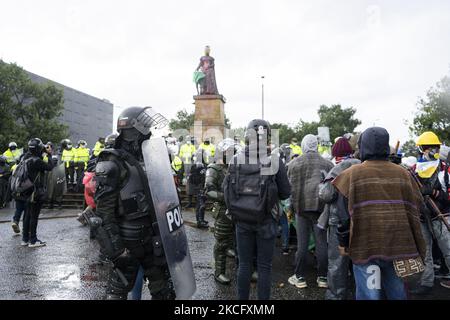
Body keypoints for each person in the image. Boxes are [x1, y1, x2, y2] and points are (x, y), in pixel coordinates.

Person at [333, 127, 426, 300]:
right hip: (399, 245)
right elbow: (417, 206)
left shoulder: (351, 175)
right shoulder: (404, 174)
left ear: (362, 147)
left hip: (365, 244)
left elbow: (344, 216)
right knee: (397, 293)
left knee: (370, 295)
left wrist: (343, 242)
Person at [94, 106, 175, 300]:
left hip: (152, 236)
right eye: (147, 130)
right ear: (137, 130)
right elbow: (104, 213)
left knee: (164, 291)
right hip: (128, 239)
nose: (151, 134)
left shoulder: (149, 158)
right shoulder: (111, 163)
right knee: (117, 292)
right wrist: (117, 250)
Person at [224, 119, 291, 300]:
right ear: (267, 137)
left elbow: (226, 192)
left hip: (242, 220)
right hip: (266, 219)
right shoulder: (274, 160)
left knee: (244, 265)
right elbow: (285, 193)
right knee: (264, 267)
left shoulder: (235, 159)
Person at [287, 134, 334, 289]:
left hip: (301, 208)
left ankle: (300, 277)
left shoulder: (294, 163)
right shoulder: (328, 164)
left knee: (302, 243)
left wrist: (290, 209)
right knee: (321, 243)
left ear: (304, 145)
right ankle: (322, 277)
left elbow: (289, 189)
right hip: (321, 209)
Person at [318, 137, 360, 299]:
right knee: (360, 260)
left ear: (335, 153)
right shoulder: (362, 164)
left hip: (339, 220)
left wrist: (322, 184)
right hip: (361, 218)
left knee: (337, 261)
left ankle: (336, 295)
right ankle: (360, 292)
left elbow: (326, 194)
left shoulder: (338, 167)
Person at [409, 131, 450, 295]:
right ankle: (426, 283)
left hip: (442, 215)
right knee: (424, 252)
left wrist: (434, 193)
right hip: (421, 217)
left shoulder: (445, 169)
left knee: (448, 250)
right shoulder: (413, 170)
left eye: (433, 147)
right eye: (426, 147)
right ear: (421, 149)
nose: (429, 150)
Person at [205, 138, 236, 284]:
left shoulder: (234, 166)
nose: (231, 153)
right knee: (221, 242)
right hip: (223, 210)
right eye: (228, 151)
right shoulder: (213, 169)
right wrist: (227, 198)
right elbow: (209, 191)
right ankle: (219, 272)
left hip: (237, 209)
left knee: (235, 239)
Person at [21, 138, 55, 247]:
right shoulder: (37, 161)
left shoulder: (25, 158)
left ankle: (25, 239)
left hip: (25, 190)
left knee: (27, 215)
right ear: (39, 148)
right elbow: (50, 167)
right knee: (34, 216)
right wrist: (48, 154)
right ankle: (33, 240)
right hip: (35, 191)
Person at [189, 149, 209, 228]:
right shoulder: (196, 165)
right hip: (199, 187)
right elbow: (194, 178)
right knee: (201, 205)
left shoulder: (203, 164)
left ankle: (201, 219)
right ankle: (200, 221)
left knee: (200, 204)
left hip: (202, 186)